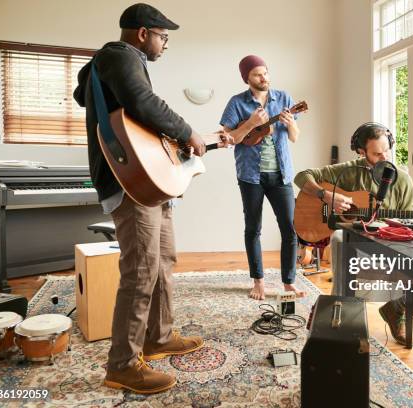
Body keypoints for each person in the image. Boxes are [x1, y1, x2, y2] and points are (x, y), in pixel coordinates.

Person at [74, 3, 230, 394]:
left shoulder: (110, 64)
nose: (164, 45)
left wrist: (194, 141)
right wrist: (188, 131)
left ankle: (158, 337)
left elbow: (124, 109)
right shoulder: (120, 55)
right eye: (163, 37)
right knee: (141, 270)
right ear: (143, 33)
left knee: (163, 259)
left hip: (146, 180)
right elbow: (143, 102)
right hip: (129, 184)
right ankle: (122, 365)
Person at [294, 122, 413, 347]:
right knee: (340, 238)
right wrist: (326, 196)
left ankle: (396, 309)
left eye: (386, 151)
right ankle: (340, 314)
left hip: (390, 248)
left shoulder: (402, 180)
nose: (384, 158)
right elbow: (302, 176)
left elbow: (406, 225)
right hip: (358, 247)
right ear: (362, 152)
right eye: (376, 154)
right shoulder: (348, 172)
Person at [220, 55, 305, 300]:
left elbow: (294, 137)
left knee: (289, 229)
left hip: (281, 174)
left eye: (266, 72)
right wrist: (250, 123)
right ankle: (258, 282)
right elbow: (229, 139)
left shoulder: (284, 99)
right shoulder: (237, 103)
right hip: (251, 176)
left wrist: (290, 123)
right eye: (258, 74)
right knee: (253, 228)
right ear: (247, 78)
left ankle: (288, 282)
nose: (264, 77)